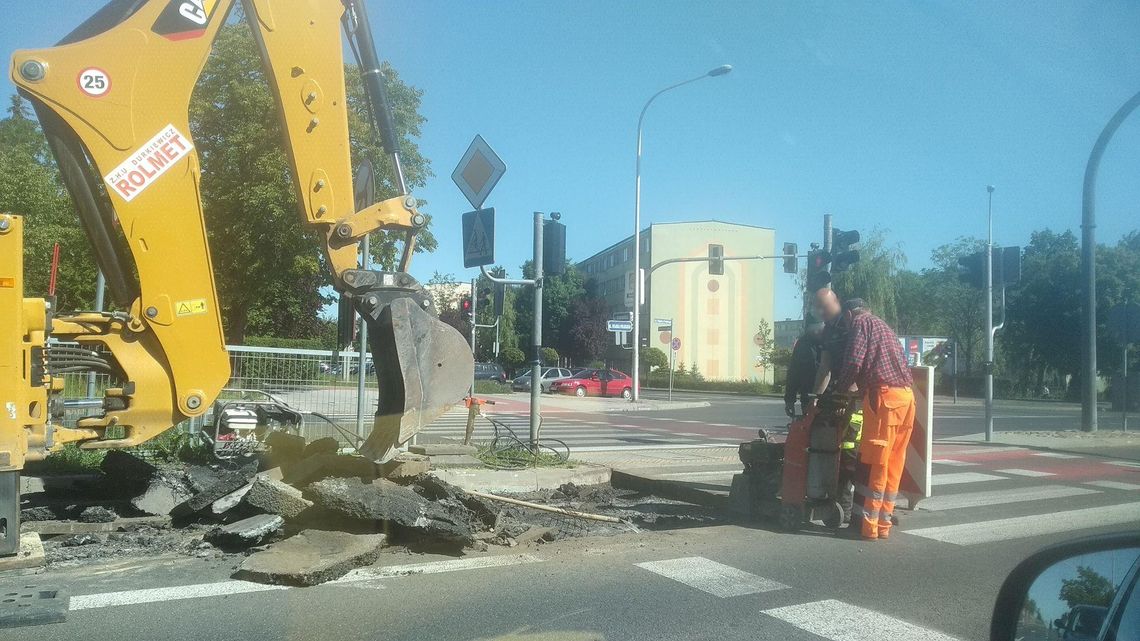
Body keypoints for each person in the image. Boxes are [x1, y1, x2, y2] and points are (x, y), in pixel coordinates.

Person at [831, 300, 915, 541]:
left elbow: (854, 361)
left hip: (884, 399)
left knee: (877, 464)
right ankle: (883, 525)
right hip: (906, 398)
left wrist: (841, 389)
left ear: (849, 314)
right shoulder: (884, 326)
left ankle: (868, 527)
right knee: (893, 463)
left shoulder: (860, 323)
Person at [784, 322, 823, 417]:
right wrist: (789, 399)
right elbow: (794, 373)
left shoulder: (834, 340)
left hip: (831, 399)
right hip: (808, 397)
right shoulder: (803, 344)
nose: (816, 332)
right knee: (810, 428)